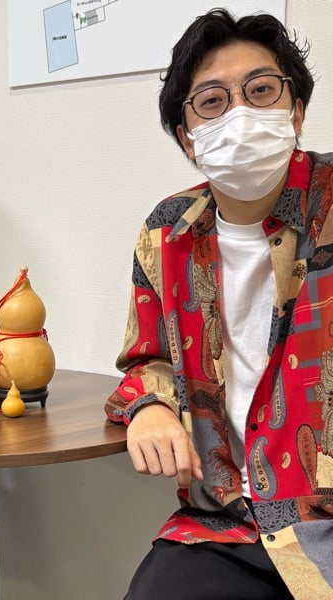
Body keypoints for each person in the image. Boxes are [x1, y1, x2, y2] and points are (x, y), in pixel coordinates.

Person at [105, 8, 333, 600]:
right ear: (188, 138)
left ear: (295, 110)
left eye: (261, 91)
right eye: (211, 101)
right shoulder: (167, 231)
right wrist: (149, 406)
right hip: (227, 521)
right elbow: (148, 357)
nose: (239, 114)